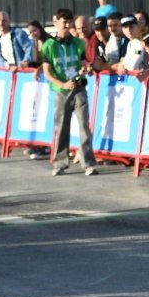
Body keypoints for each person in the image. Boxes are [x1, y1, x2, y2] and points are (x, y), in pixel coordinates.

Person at [41, 9, 95, 176]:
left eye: (70, 22)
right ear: (55, 22)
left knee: (84, 126)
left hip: (79, 89)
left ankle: (88, 163)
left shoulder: (79, 43)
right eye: (64, 22)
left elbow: (85, 63)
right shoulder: (48, 46)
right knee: (62, 128)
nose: (67, 26)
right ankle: (60, 163)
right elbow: (47, 73)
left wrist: (87, 68)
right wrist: (63, 84)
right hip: (61, 92)